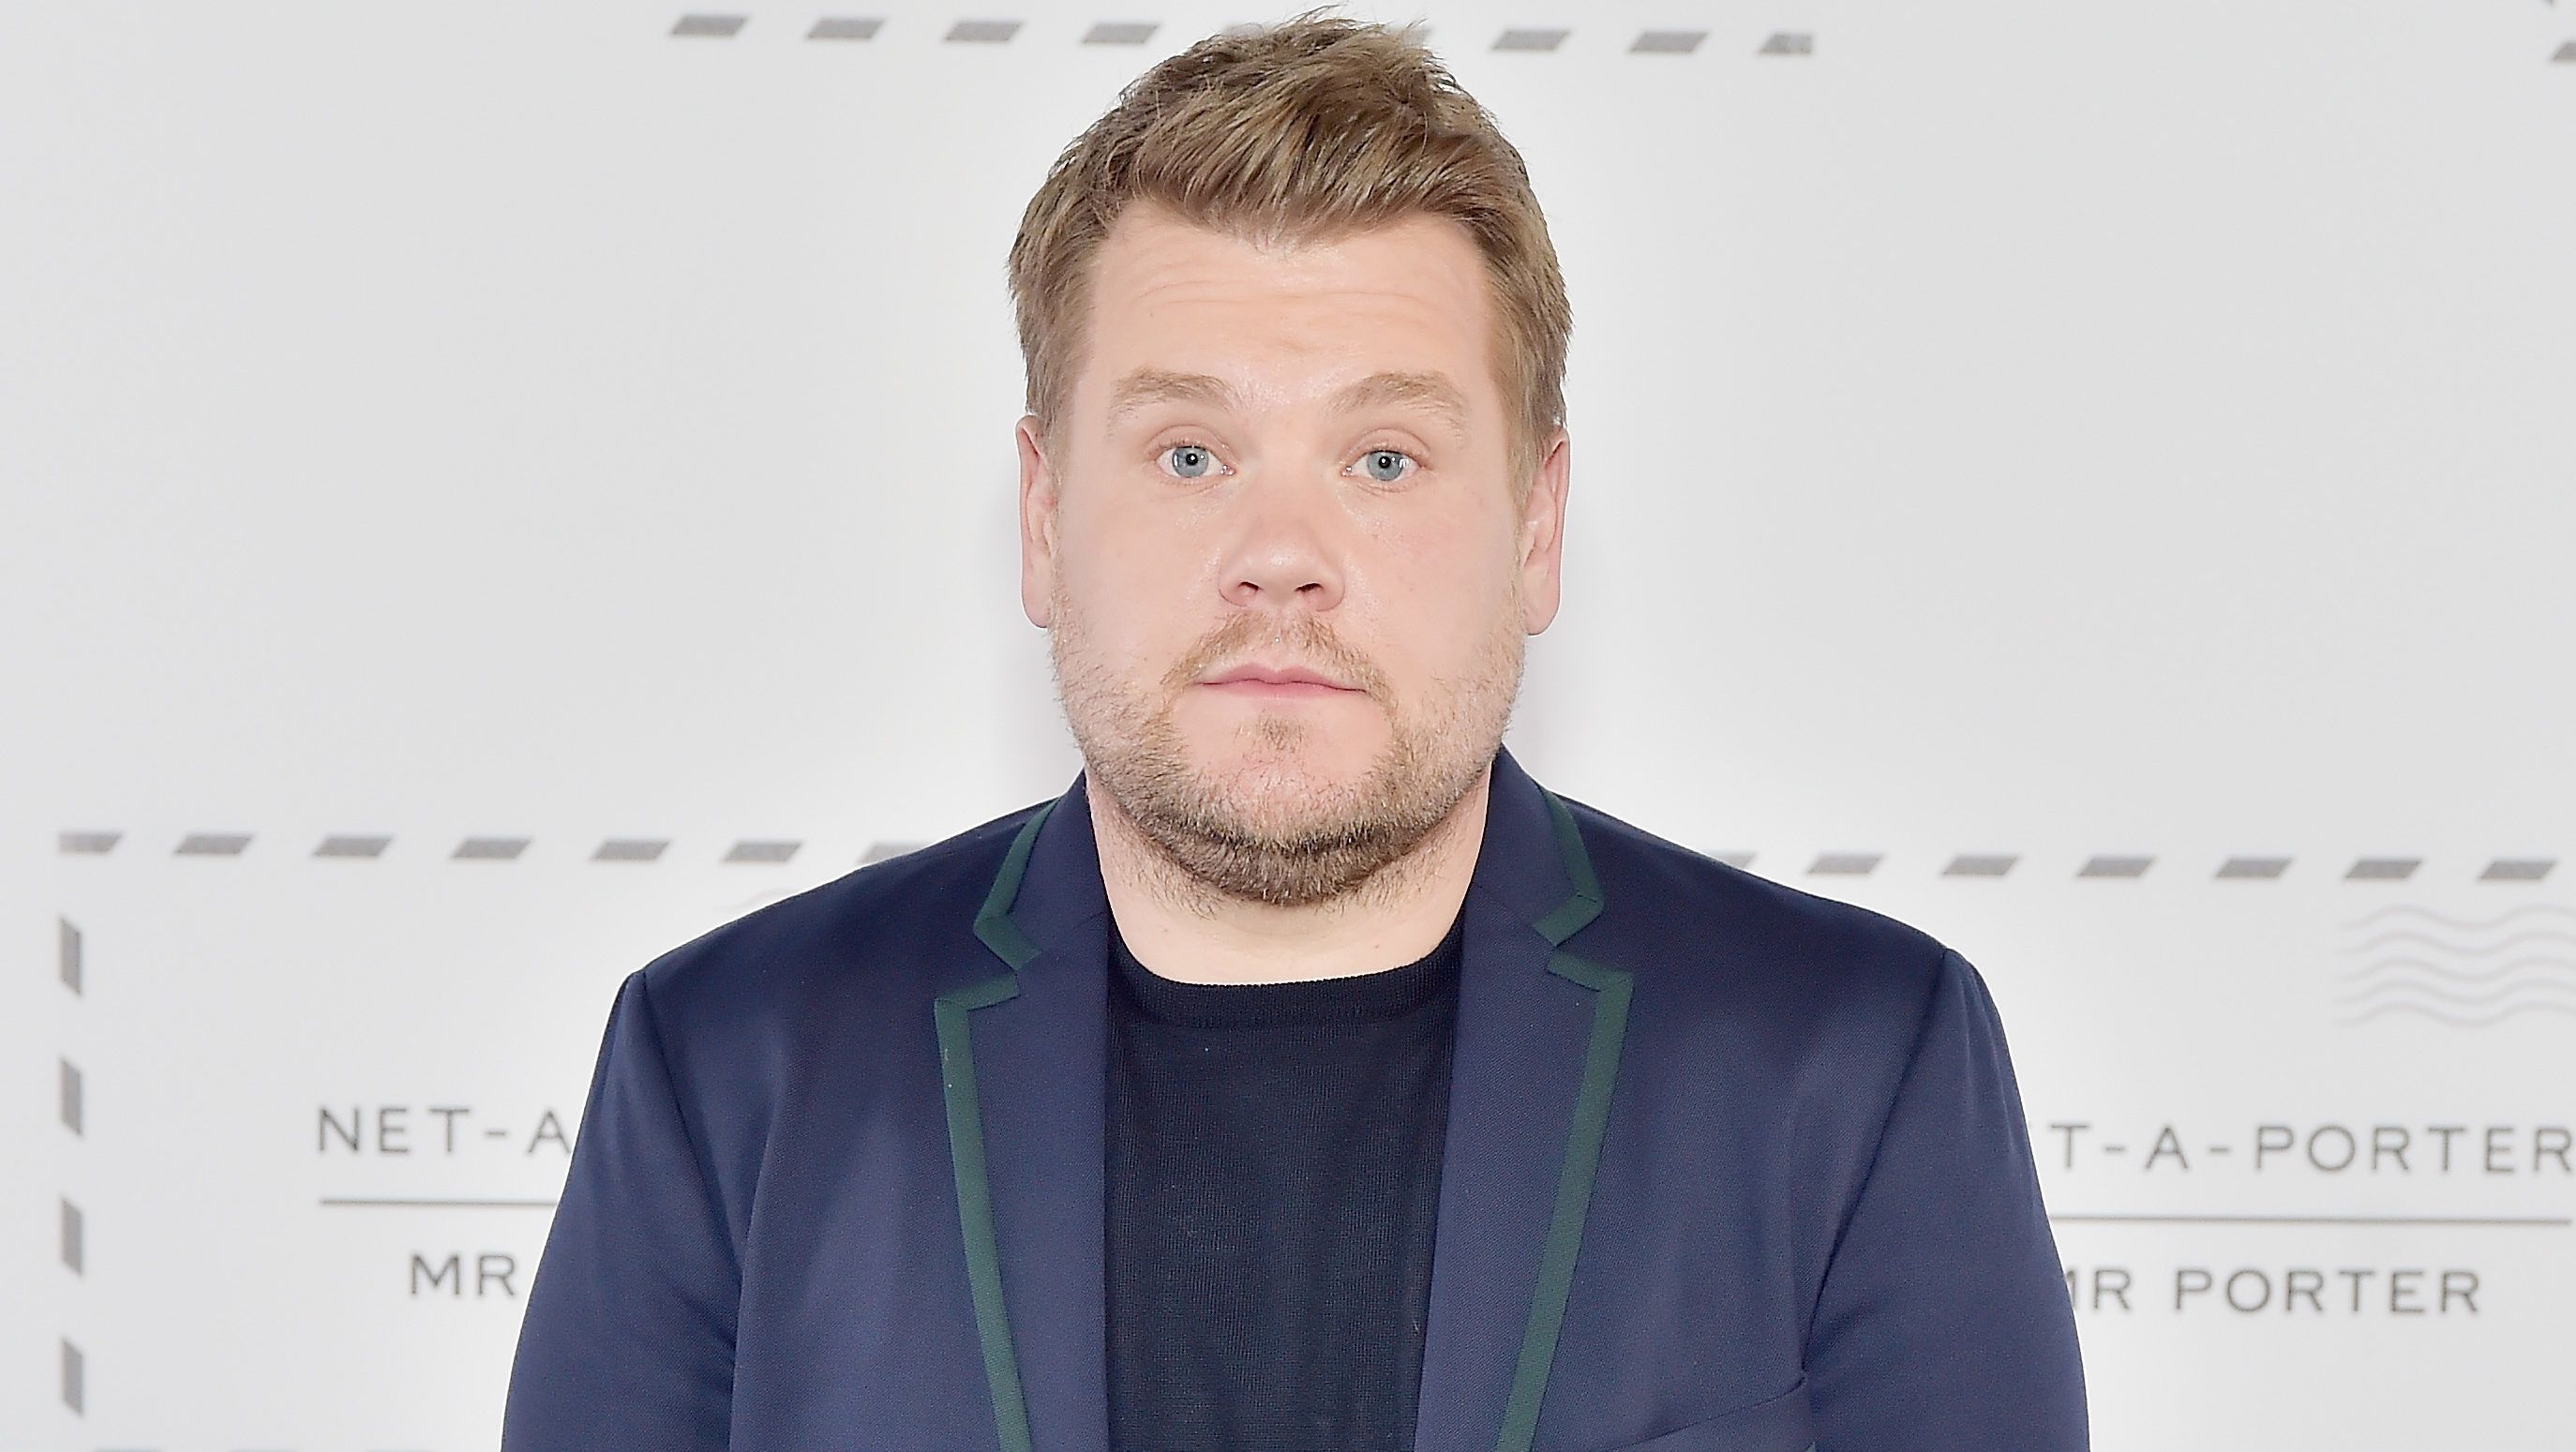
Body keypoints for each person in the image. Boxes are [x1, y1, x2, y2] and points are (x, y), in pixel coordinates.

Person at [500, 10, 2089, 1450]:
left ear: (1537, 529)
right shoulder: (730, 1073)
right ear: (1044, 520)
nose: (1280, 553)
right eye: (1189, 454)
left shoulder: (1853, 1067)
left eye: (1384, 458)